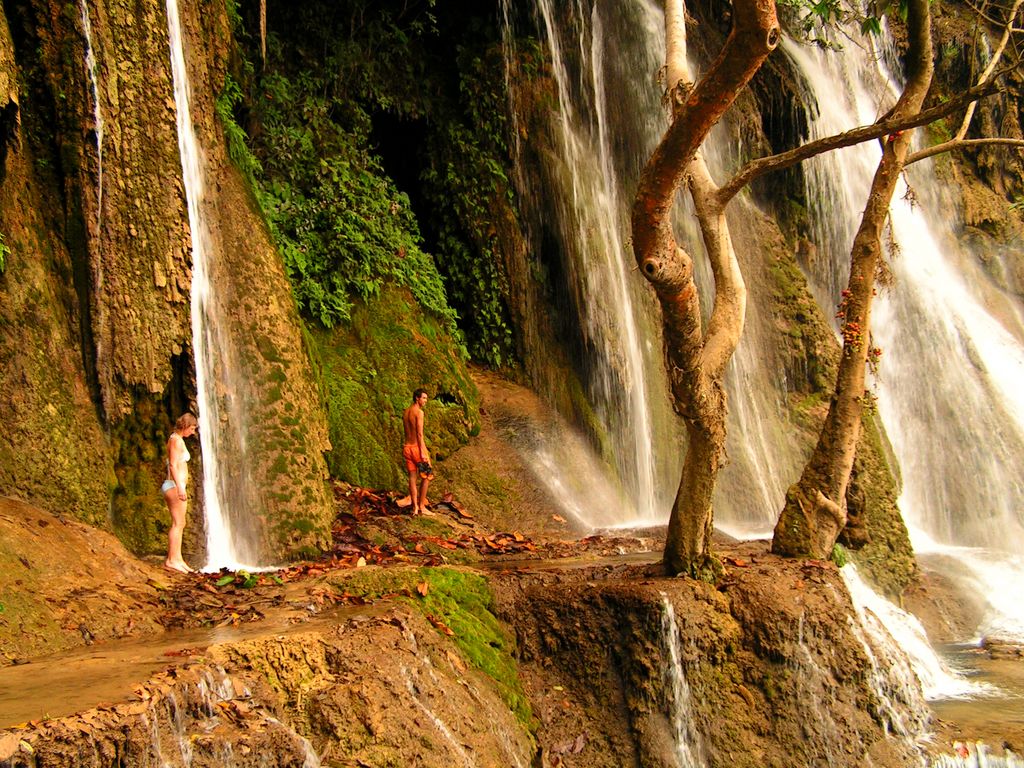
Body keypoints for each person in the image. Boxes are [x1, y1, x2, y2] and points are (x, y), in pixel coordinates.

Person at [162, 412, 198, 573]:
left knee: (180, 523)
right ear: (184, 426)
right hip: (174, 486)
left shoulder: (177, 439)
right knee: (178, 523)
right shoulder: (175, 440)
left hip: (174, 485)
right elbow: (173, 466)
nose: (193, 432)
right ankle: (171, 560)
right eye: (192, 428)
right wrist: (181, 487)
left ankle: (178, 558)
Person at [402, 388, 434, 515]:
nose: (426, 401)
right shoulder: (419, 413)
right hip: (416, 448)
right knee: (427, 476)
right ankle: (421, 506)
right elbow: (420, 434)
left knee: (412, 477)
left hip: (407, 448)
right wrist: (423, 452)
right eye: (424, 398)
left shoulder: (406, 412)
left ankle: (414, 507)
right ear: (417, 398)